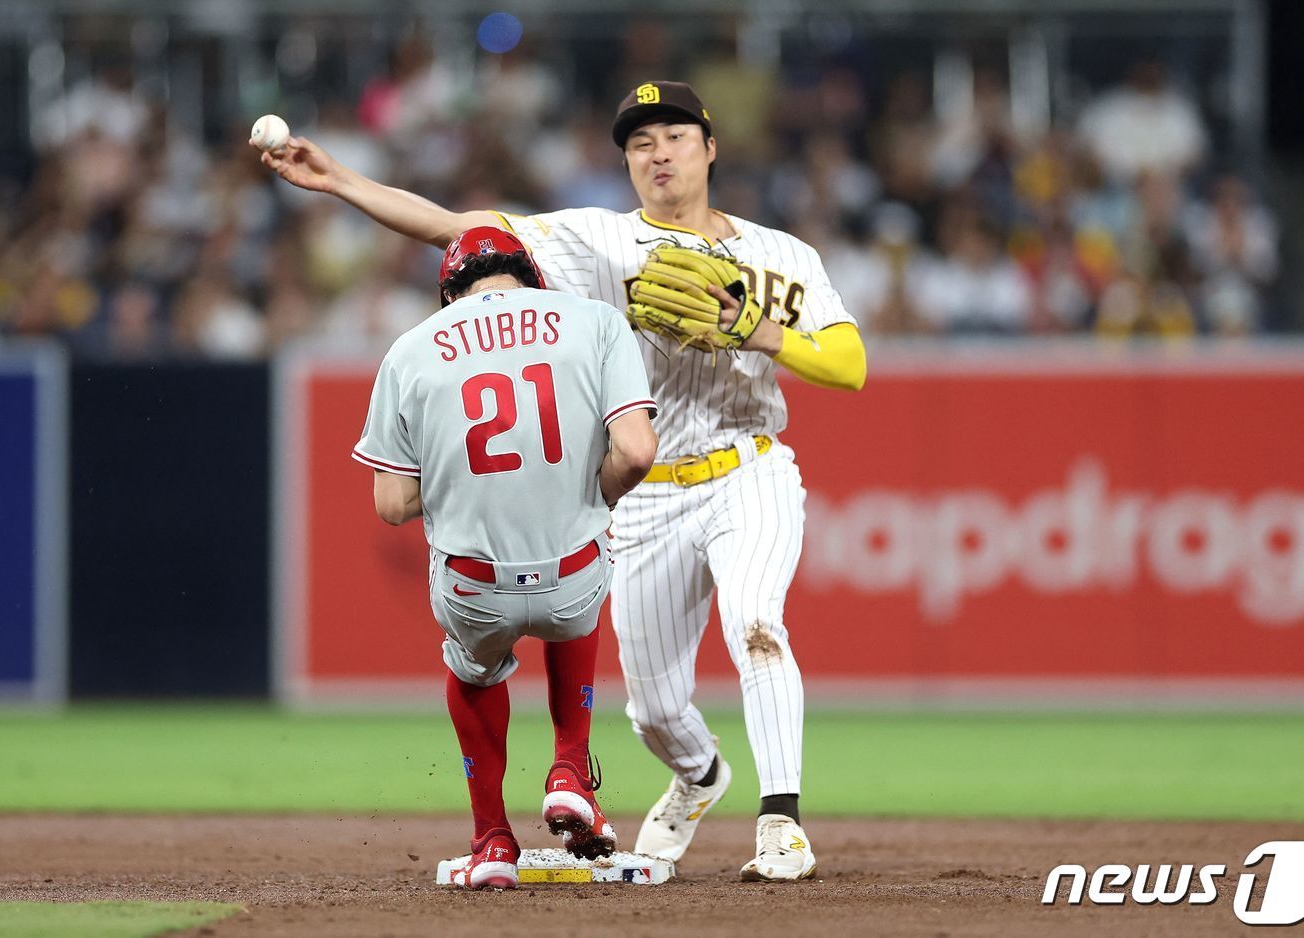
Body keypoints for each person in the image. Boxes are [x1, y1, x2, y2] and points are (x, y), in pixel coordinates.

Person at [260, 79, 866, 881]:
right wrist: (338, 181)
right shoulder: (596, 242)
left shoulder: (783, 255)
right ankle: (699, 774)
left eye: (676, 136)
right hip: (647, 493)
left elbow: (850, 365)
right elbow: (458, 228)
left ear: (711, 148)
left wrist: (757, 330)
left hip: (747, 464)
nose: (658, 152)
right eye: (639, 142)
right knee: (652, 710)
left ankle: (781, 824)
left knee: (757, 624)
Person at [352, 226, 658, 889]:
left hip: (473, 589)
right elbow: (636, 452)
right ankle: (570, 768)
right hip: (573, 579)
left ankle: (492, 844)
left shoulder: (410, 350)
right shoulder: (595, 322)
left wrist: (458, 476)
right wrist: (588, 497)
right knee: (581, 576)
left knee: (472, 669)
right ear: (531, 276)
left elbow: (393, 504)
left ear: (449, 293)